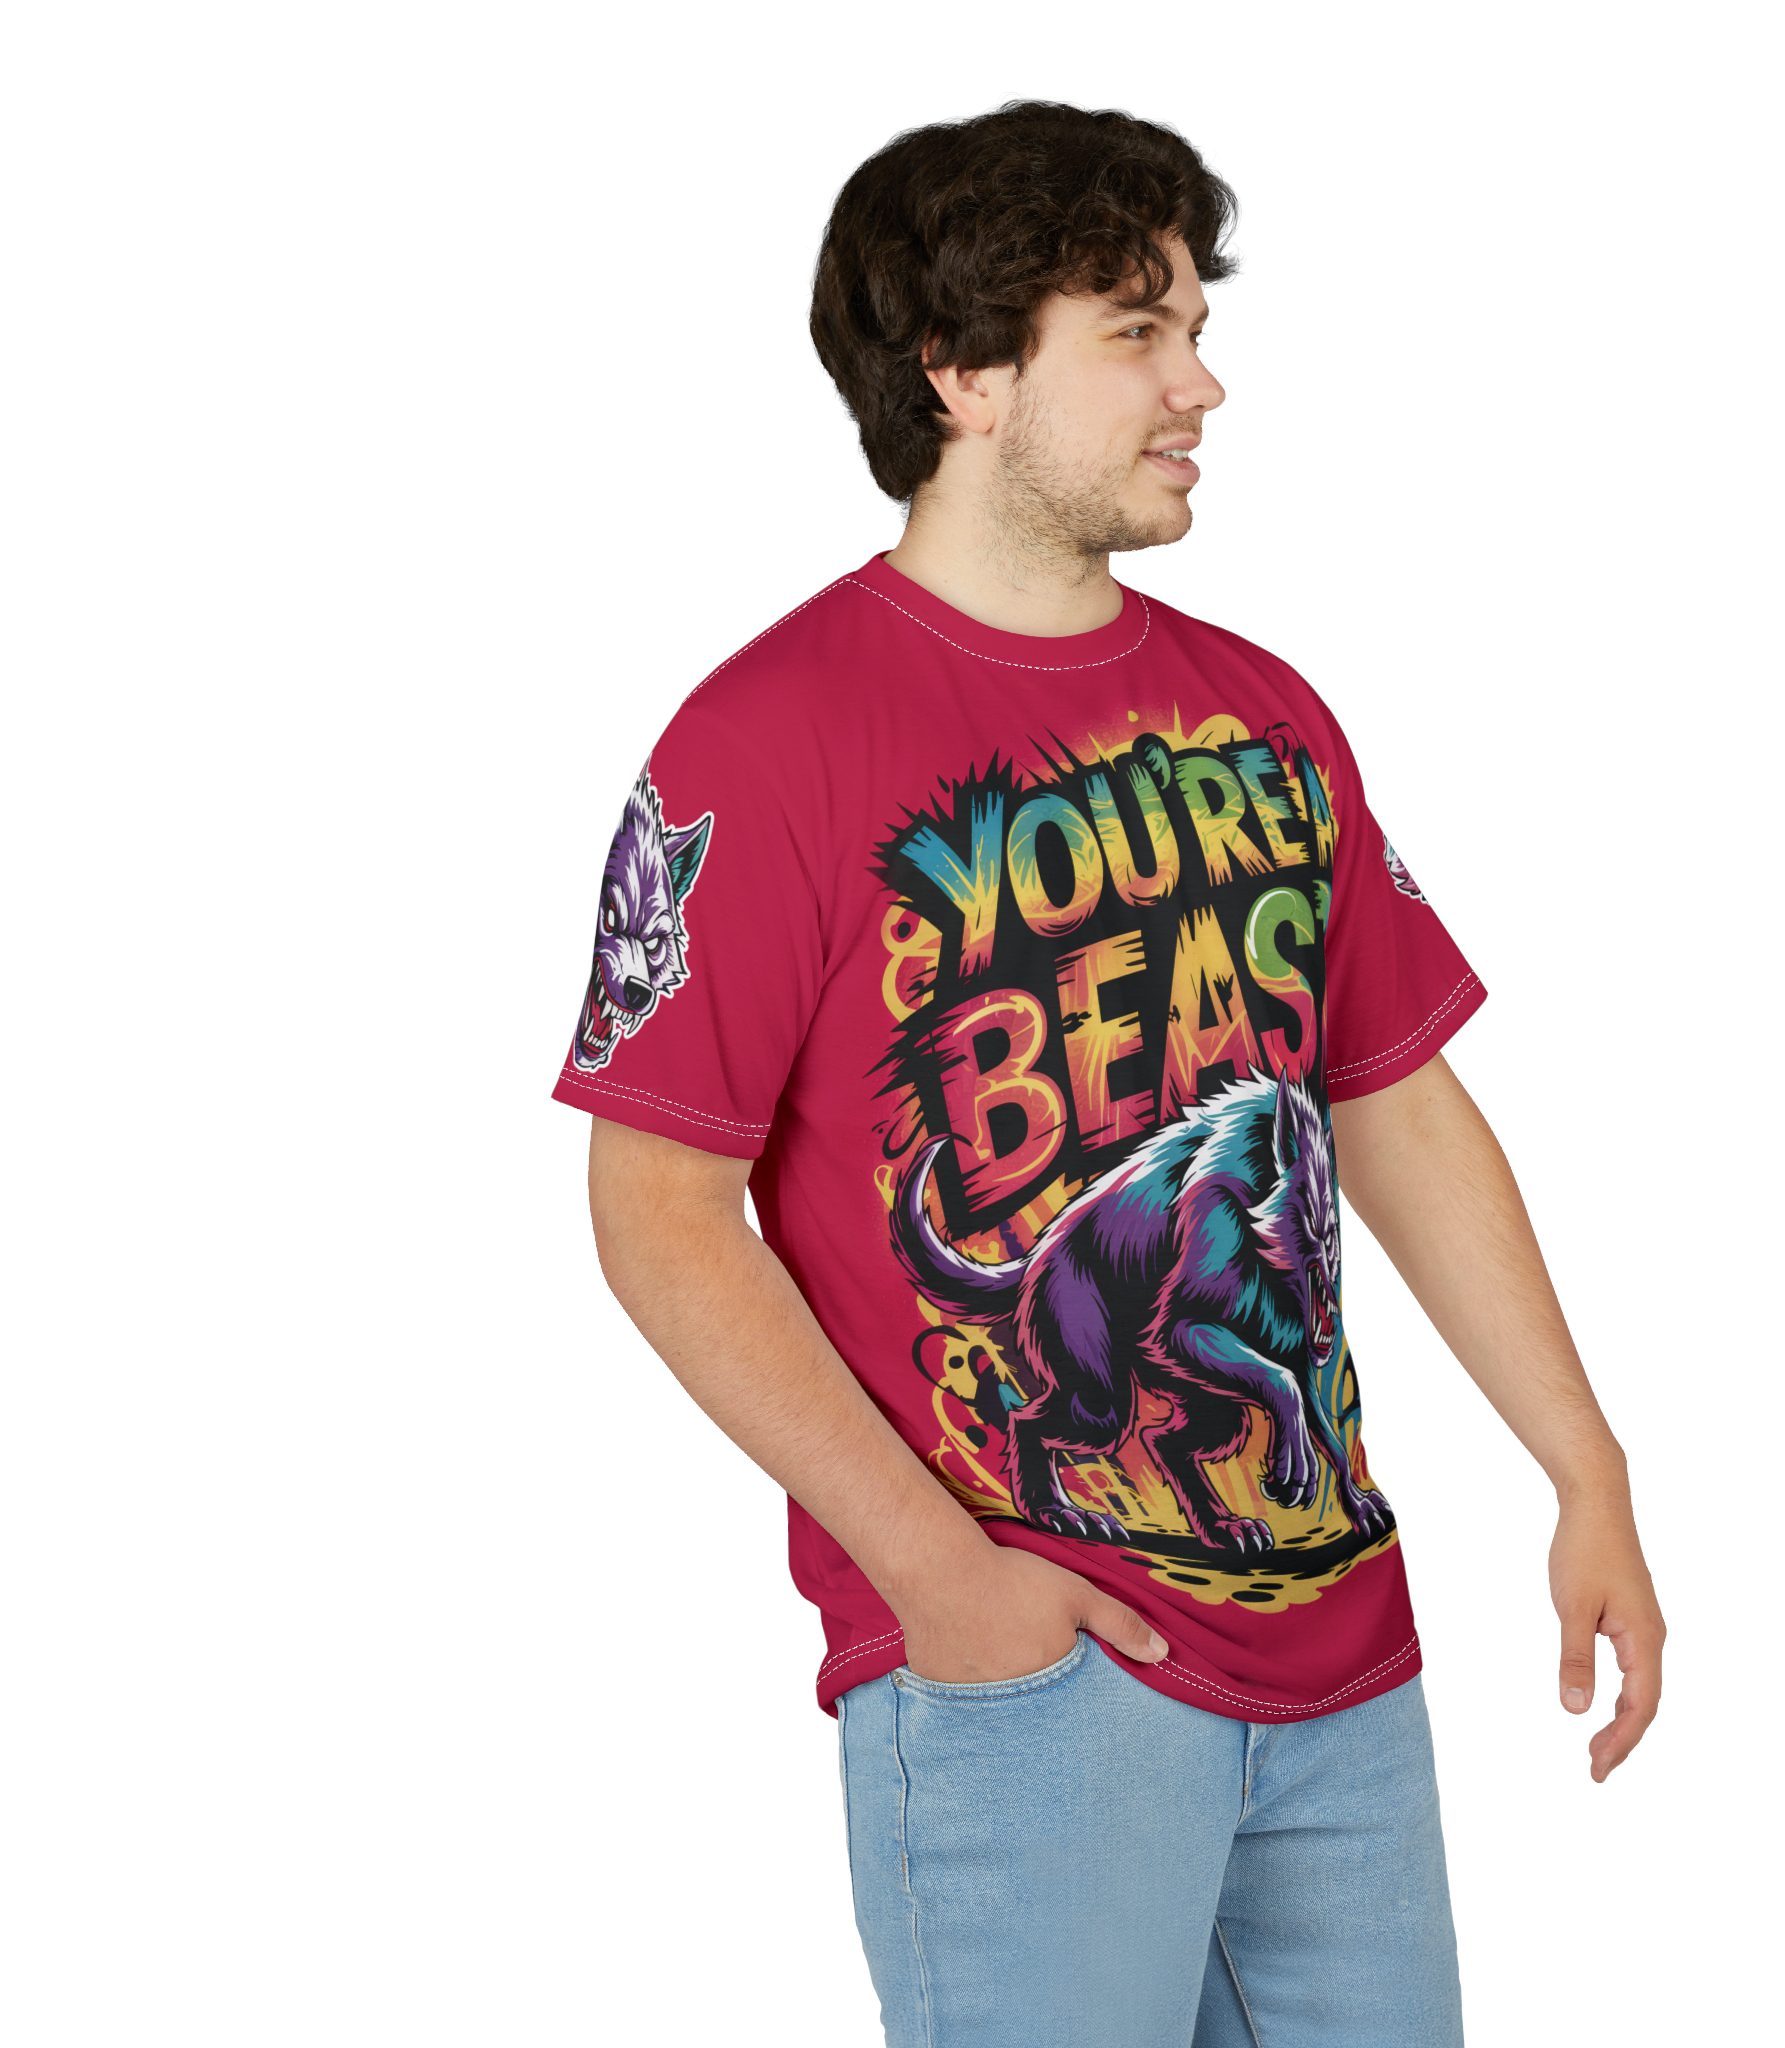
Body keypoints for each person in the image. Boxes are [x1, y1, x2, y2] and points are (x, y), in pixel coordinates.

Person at [550, 99, 1664, 2048]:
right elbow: (657, 1206)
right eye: (1136, 332)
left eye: (1192, 328)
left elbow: (1390, 1098)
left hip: (1340, 1651)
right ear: (962, 372)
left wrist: (1584, 1463)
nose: (1200, 384)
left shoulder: (1264, 712)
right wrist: (936, 1578)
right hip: (1027, 1674)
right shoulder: (767, 736)